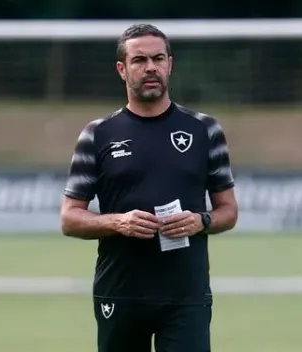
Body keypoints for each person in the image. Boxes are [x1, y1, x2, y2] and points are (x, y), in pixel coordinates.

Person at [60, 23, 238, 352]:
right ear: (122, 69)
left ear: (170, 63)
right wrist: (118, 222)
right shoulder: (97, 134)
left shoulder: (205, 130)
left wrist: (203, 221)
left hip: (186, 296)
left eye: (158, 58)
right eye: (139, 60)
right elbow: (70, 218)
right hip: (120, 291)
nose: (150, 67)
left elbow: (228, 210)